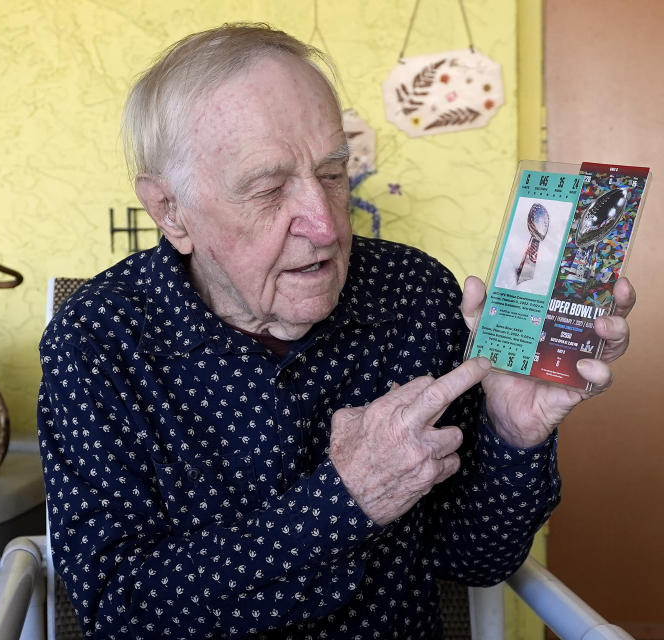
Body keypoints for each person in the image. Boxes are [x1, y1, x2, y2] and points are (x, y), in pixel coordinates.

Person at [38, 23, 634, 639]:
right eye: (268, 190)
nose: (325, 225)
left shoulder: (412, 293)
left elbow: (475, 559)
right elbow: (120, 611)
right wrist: (340, 502)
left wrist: (512, 435)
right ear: (171, 212)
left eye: (332, 173)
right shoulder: (97, 342)